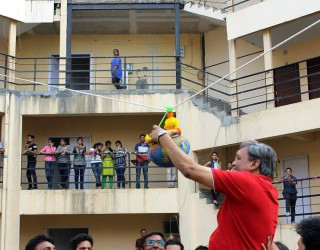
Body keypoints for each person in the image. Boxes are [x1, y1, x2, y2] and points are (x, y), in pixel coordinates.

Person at [149, 126, 278, 250]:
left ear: (254, 164)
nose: (233, 163)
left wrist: (162, 136)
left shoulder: (247, 182)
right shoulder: (269, 190)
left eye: (238, 158)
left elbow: (189, 169)